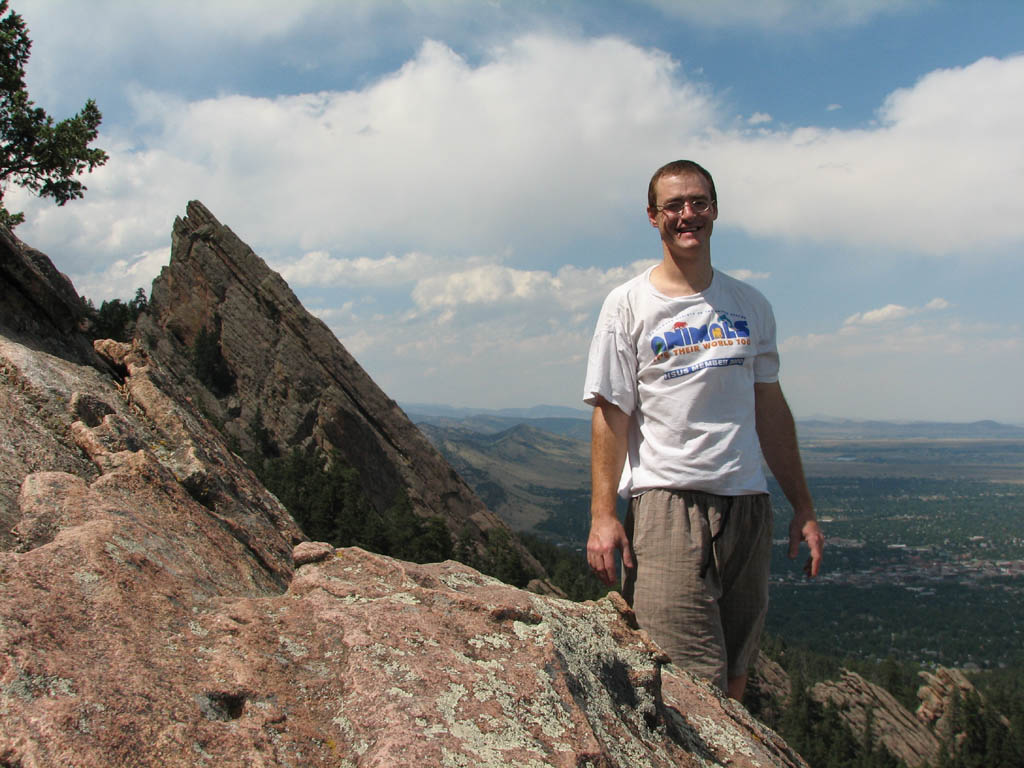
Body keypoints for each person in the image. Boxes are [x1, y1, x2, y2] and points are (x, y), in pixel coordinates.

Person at [583, 159, 824, 700]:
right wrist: (603, 514)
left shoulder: (750, 305)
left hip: (747, 504)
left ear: (714, 210)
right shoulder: (628, 305)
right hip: (668, 506)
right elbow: (610, 412)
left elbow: (770, 409)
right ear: (653, 217)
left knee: (735, 674)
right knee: (687, 686)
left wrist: (802, 506)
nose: (687, 215)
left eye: (699, 203)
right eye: (674, 205)